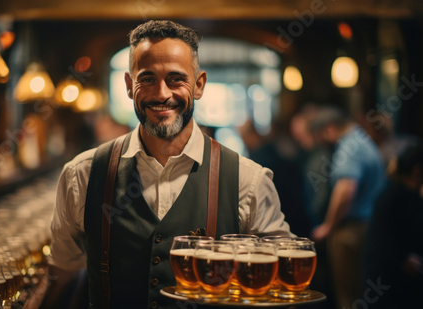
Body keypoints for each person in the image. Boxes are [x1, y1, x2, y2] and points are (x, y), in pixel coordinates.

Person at [44, 20, 293, 309]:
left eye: (176, 79)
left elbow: (281, 282)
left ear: (199, 85)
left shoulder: (248, 180)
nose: (162, 94)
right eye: (147, 78)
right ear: (129, 85)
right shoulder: (82, 174)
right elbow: (61, 271)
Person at [309, 106, 386, 309]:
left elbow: (346, 189)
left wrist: (328, 226)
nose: (321, 144)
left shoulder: (348, 146)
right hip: (367, 226)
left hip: (351, 231)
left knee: (348, 297)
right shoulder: (362, 139)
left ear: (329, 129)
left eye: (320, 138)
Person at [363, 143, 423, 309]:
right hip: (388, 285)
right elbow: (383, 241)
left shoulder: (399, 194)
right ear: (417, 171)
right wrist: (403, 258)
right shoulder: (395, 197)